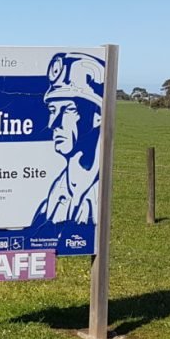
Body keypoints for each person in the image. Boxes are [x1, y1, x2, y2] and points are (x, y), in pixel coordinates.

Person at [32, 52, 105, 227]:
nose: (53, 123)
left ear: (97, 116)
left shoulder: (98, 197)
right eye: (52, 110)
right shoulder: (48, 205)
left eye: (67, 110)